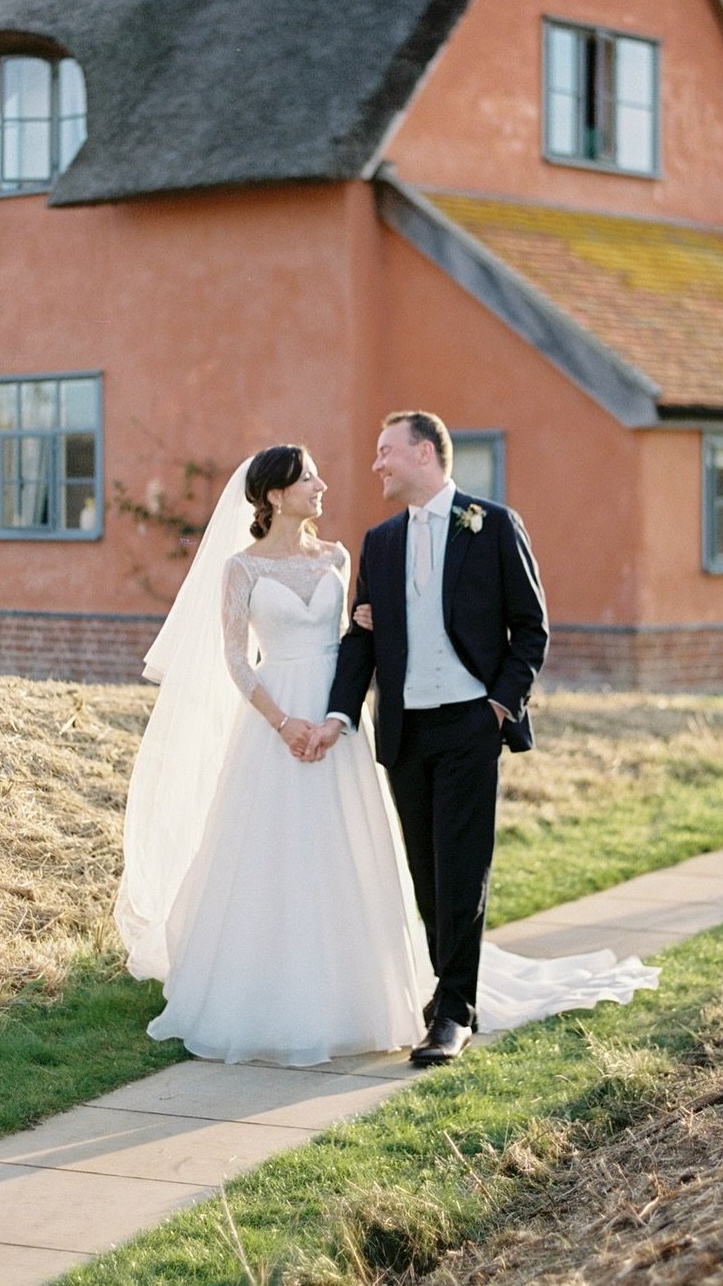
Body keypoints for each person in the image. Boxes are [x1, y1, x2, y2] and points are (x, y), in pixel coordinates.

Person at [114, 440, 657, 1069]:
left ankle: (370, 992)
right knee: (269, 851)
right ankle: (269, 987)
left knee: (349, 849)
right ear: (273, 496)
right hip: (276, 718)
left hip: (339, 715)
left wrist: (364, 641)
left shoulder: (340, 557)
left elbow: (360, 637)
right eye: (307, 479)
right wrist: (282, 721)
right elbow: (236, 656)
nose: (322, 485)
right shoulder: (242, 569)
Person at [313, 411, 545, 1063]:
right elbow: (363, 640)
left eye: (385, 451)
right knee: (425, 873)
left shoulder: (492, 524)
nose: (376, 464)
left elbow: (531, 628)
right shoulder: (380, 541)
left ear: (422, 452)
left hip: (472, 720)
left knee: (462, 868)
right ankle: (448, 988)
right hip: (406, 727)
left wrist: (501, 703)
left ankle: (453, 1013)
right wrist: (339, 713)